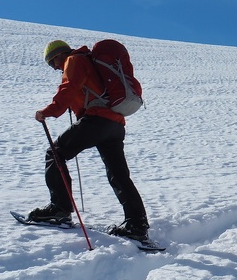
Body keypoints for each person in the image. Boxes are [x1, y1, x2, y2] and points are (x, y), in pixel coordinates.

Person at [28, 40, 149, 241]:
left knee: (55, 153)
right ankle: (137, 225)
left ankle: (59, 210)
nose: (56, 67)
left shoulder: (73, 60)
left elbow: (68, 88)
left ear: (59, 55)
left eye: (52, 63)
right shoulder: (88, 61)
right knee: (119, 175)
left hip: (96, 120)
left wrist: (48, 112)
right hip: (115, 124)